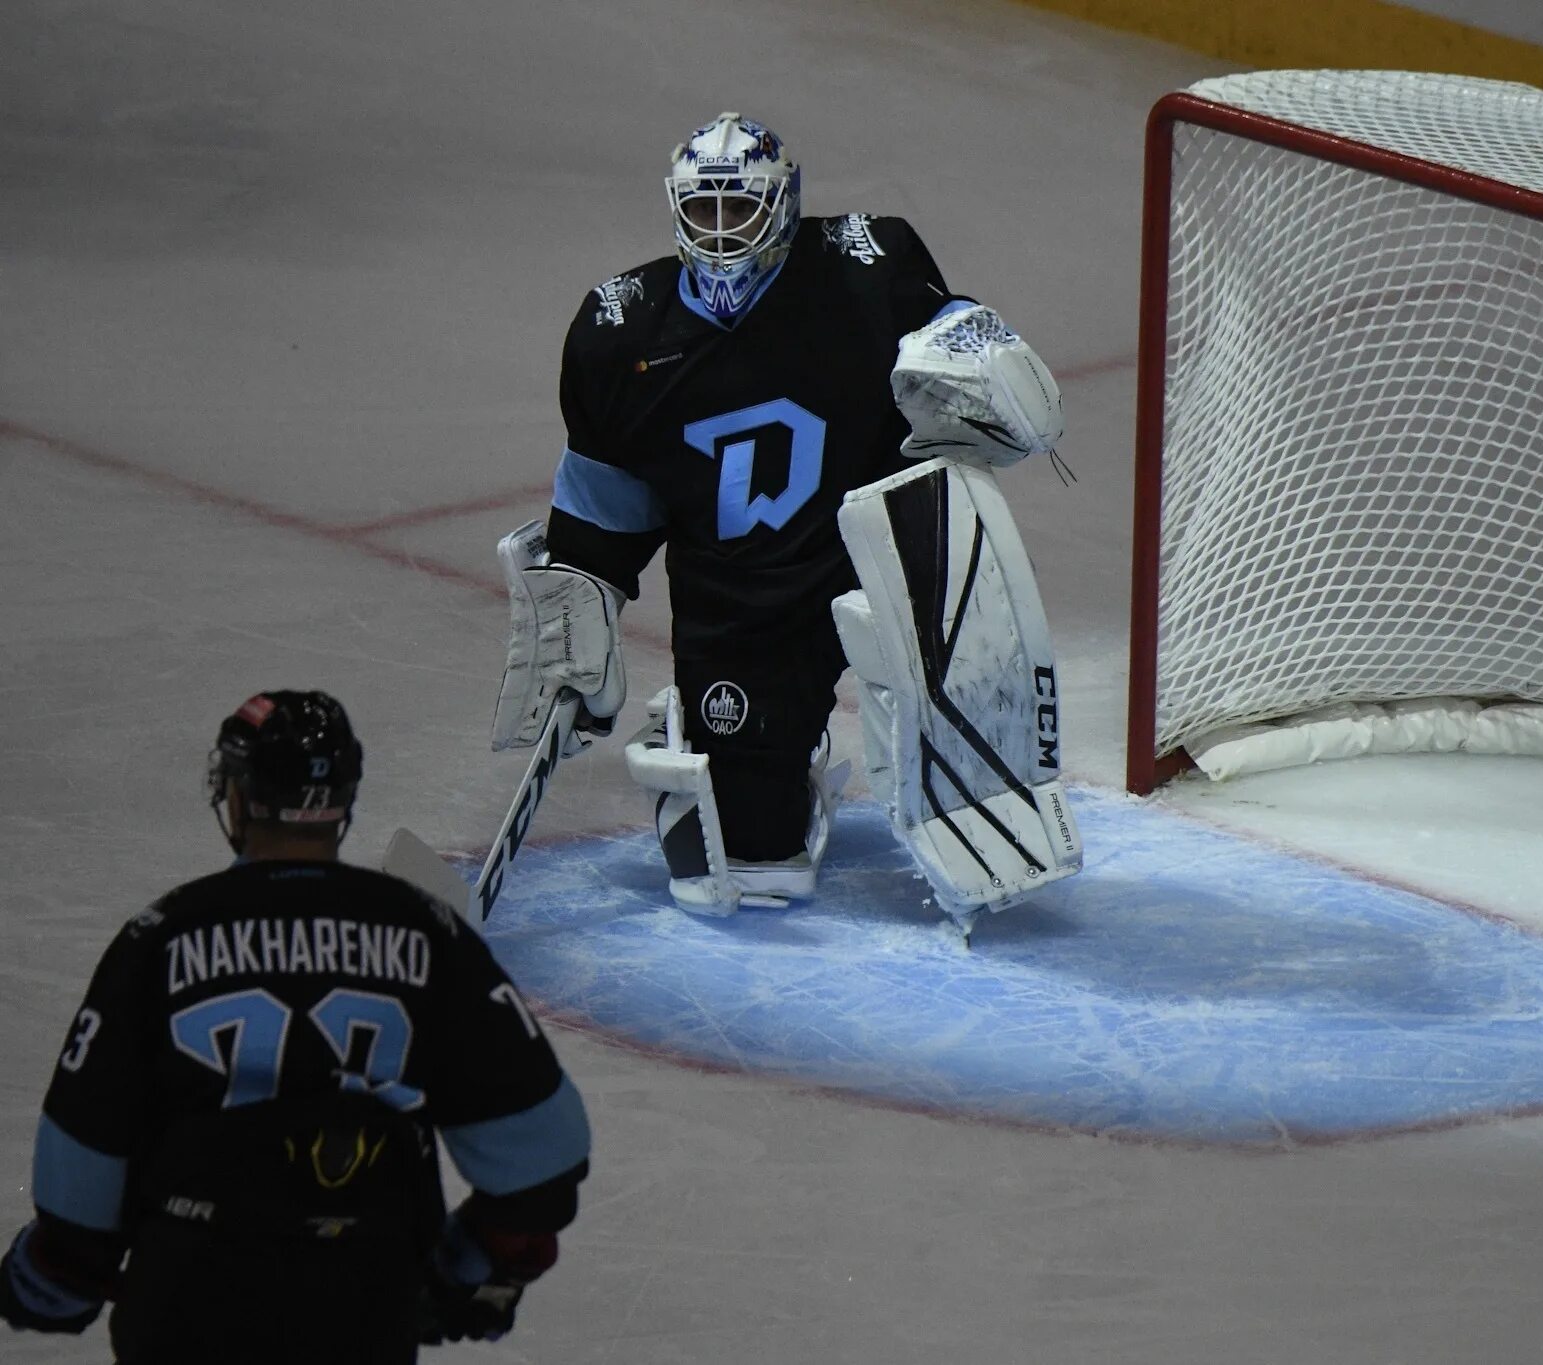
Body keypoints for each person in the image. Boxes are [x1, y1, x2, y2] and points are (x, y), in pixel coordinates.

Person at [489, 112, 1081, 922]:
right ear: (677, 208)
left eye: (745, 208)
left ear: (786, 203)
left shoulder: (872, 269)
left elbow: (960, 337)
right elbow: (603, 506)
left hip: (890, 558)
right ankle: (722, 742)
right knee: (754, 874)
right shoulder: (618, 330)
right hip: (742, 608)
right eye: (707, 210)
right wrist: (576, 619)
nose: (725, 230)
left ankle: (977, 780)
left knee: (982, 702)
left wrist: (988, 362)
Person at [0, 691, 590, 1363]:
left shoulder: (163, 934)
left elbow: (80, 1167)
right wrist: (471, 1266)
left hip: (190, 1295)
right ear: (343, 800)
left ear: (241, 796)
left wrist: (57, 1272)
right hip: (363, 1295)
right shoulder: (425, 930)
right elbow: (543, 1157)